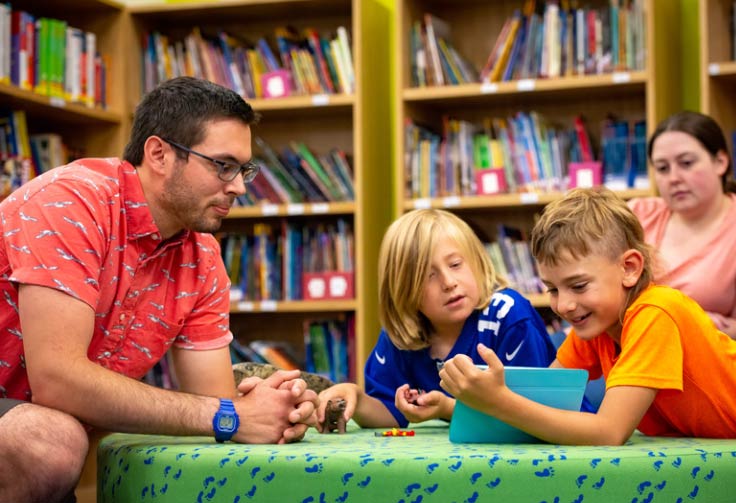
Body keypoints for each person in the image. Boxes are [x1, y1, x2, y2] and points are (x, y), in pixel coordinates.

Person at [0, 77, 318, 502]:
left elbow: (215, 402)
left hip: (32, 452)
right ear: (159, 154)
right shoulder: (72, 202)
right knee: (50, 443)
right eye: (223, 165)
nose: (239, 186)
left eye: (244, 169)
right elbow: (58, 381)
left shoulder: (202, 255)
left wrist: (273, 410)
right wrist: (229, 416)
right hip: (33, 437)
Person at [439, 188, 736, 445]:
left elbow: (608, 432)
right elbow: (541, 406)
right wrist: (462, 403)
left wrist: (498, 401)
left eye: (578, 285)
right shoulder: (596, 324)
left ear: (629, 268)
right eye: (552, 290)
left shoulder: (656, 312)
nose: (564, 305)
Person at [315, 208, 557, 430]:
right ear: (403, 290)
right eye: (428, 276)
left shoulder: (508, 314)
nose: (449, 282)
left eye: (455, 264)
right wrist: (356, 398)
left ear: (476, 262)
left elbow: (533, 413)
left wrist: (448, 409)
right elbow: (391, 412)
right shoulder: (400, 335)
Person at [628, 111, 736, 348]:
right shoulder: (638, 213)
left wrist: (679, 328)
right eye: (662, 168)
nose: (673, 178)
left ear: (720, 162)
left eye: (686, 163)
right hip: (626, 346)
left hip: (706, 358)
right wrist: (695, 320)